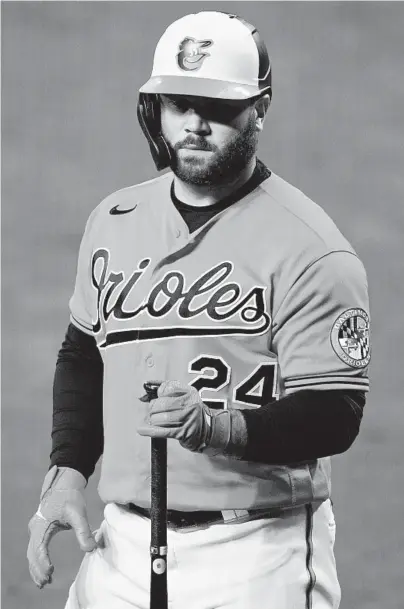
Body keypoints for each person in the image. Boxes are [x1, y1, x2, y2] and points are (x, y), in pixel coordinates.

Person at [27, 10, 371, 609]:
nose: (194, 124)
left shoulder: (313, 249)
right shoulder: (114, 222)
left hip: (257, 549)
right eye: (178, 103)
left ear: (259, 109)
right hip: (121, 545)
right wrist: (65, 477)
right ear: (153, 108)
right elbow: (83, 356)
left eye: (217, 108)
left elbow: (334, 413)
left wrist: (216, 427)